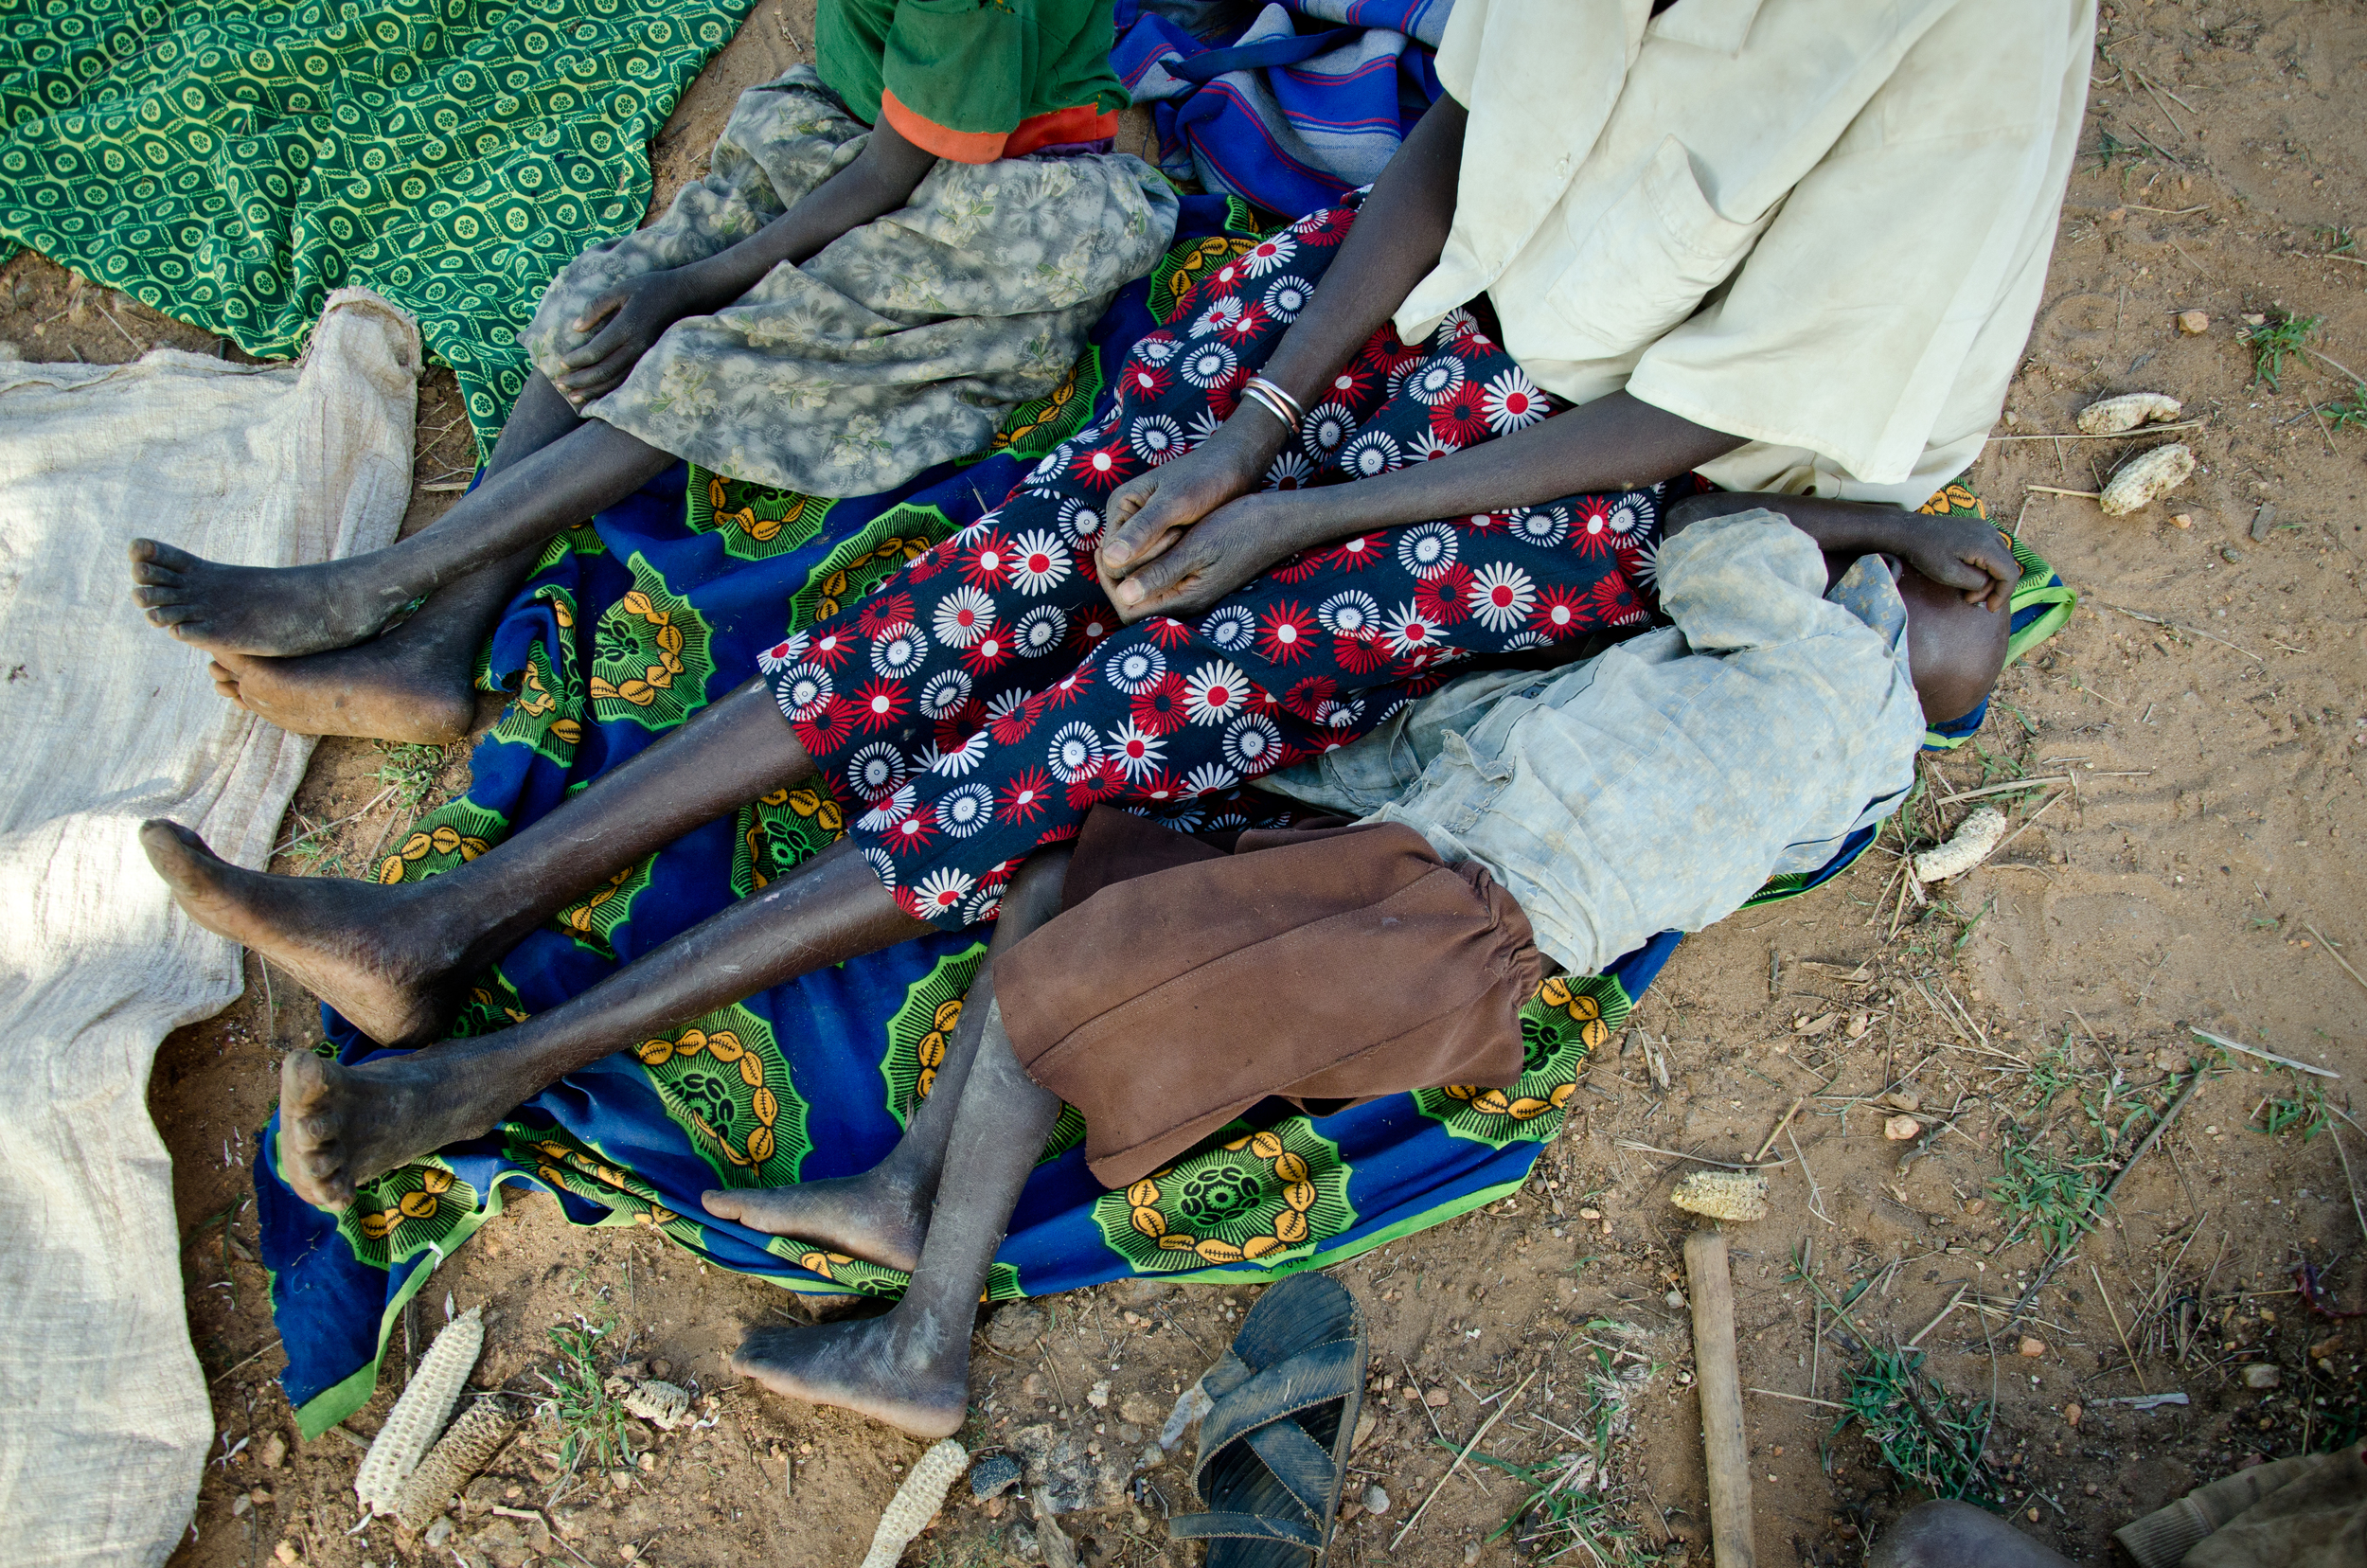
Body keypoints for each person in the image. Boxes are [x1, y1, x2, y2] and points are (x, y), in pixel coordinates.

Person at [125, 0, 1175, 744]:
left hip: (1004, 198)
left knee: (714, 349)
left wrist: (702, 286)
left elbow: (893, 175)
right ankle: (437, 643)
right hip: (860, 137)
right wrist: (668, 282)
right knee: (608, 307)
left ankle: (380, 585)